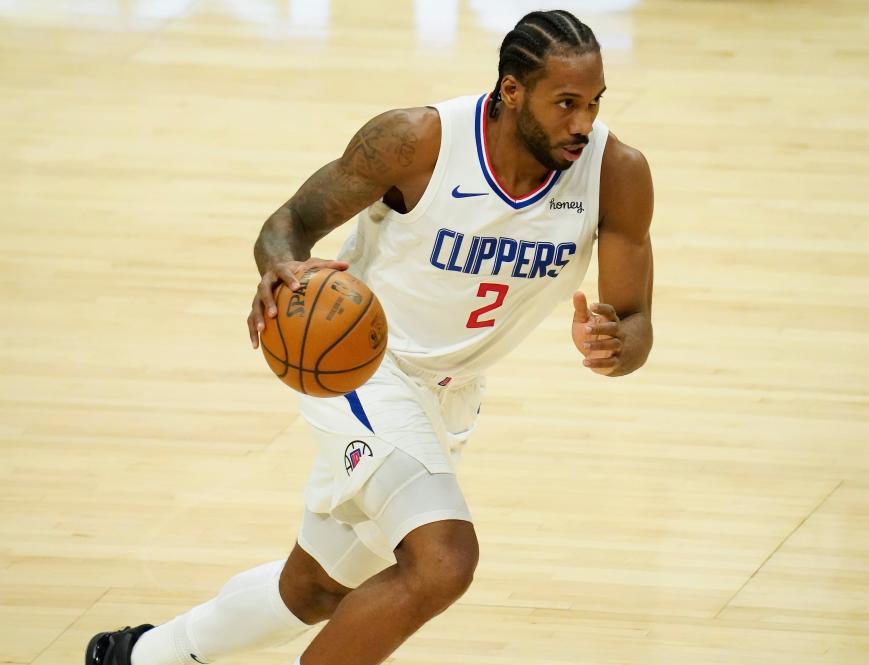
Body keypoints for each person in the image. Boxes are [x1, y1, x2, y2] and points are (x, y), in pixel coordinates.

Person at [85, 9, 653, 665]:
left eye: (593, 102)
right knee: (444, 560)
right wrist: (282, 268)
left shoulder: (616, 173)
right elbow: (290, 221)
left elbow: (634, 322)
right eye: (566, 103)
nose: (583, 122)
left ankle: (139, 656)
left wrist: (617, 344)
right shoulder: (417, 141)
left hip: (450, 396)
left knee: (317, 587)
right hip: (362, 368)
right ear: (511, 91)